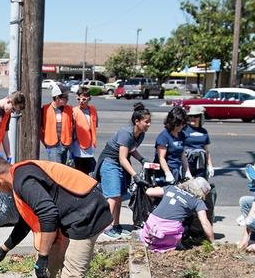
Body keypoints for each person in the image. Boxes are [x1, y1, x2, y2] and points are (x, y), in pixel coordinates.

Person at [96, 103, 152, 239]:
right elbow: (122, 158)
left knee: (119, 197)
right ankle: (106, 227)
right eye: (146, 122)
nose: (149, 124)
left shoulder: (140, 134)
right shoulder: (125, 133)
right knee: (113, 196)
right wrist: (135, 175)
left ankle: (116, 225)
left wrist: (142, 159)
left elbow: (131, 149)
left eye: (149, 121)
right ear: (137, 121)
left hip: (119, 163)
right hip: (110, 162)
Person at [138, 176, 215, 252]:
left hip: (149, 229)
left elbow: (149, 192)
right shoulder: (197, 201)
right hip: (167, 235)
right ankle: (172, 245)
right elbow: (205, 223)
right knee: (184, 224)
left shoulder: (171, 188)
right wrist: (213, 242)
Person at [153, 105, 189, 186]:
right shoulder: (164, 136)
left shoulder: (182, 135)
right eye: (178, 125)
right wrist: (167, 173)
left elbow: (183, 155)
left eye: (182, 124)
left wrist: (187, 172)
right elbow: (161, 157)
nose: (180, 127)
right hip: (163, 172)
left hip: (176, 170)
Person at [41, 83, 74, 165]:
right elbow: (39, 129)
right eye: (65, 97)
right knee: (56, 171)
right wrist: (46, 143)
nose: (67, 99)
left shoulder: (69, 109)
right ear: (57, 98)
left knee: (62, 171)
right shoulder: (45, 109)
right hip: (53, 147)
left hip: (65, 145)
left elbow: (72, 127)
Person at [70, 89, 99, 175]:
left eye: (84, 99)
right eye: (79, 99)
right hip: (77, 146)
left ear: (89, 99)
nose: (81, 101)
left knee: (88, 170)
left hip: (89, 146)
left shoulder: (93, 110)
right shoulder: (74, 111)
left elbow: (95, 125)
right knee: (79, 170)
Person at [182, 105, 212, 179]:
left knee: (200, 185)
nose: (192, 118)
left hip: (201, 163)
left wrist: (209, 165)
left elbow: (207, 150)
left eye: (196, 116)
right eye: (191, 116)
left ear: (200, 117)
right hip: (187, 162)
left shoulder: (204, 132)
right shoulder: (184, 130)